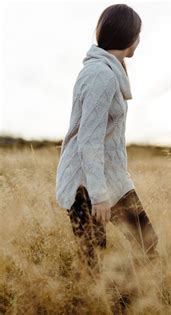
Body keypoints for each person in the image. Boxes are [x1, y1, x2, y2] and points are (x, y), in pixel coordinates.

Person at [56, 4, 158, 272]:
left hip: (111, 177)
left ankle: (144, 300)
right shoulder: (101, 75)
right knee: (94, 262)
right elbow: (88, 140)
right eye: (138, 34)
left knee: (147, 243)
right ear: (129, 36)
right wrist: (98, 197)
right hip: (86, 184)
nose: (139, 40)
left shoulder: (112, 70)